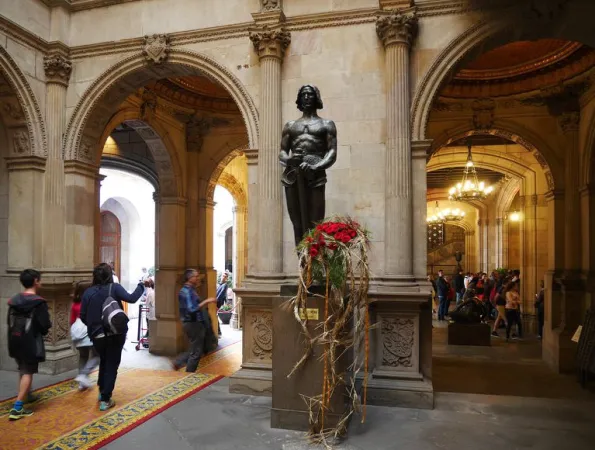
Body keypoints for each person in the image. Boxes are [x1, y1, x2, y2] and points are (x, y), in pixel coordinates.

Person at [81, 263, 147, 411]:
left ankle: (101, 390)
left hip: (96, 336)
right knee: (111, 364)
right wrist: (141, 285)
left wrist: (93, 327)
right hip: (115, 334)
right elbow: (132, 298)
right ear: (110, 275)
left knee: (104, 361)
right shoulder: (114, 288)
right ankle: (105, 398)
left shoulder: (88, 292)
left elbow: (83, 316)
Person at [279, 85, 338, 246]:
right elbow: (282, 153)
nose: (306, 97)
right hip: (292, 175)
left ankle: (315, 262)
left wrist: (316, 166)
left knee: (315, 222)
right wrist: (291, 160)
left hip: (315, 176)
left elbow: (332, 153)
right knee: (297, 222)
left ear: (316, 97)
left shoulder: (326, 124)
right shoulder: (290, 126)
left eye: (310, 94)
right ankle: (303, 264)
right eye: (303, 94)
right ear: (299, 99)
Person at [7, 269, 52, 420]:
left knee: (22, 367)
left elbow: (9, 321)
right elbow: (44, 325)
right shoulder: (39, 303)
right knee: (28, 371)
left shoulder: (14, 300)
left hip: (14, 338)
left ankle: (27, 395)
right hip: (30, 340)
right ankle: (18, 407)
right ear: (35, 281)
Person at [172, 269, 216, 372]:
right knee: (196, 352)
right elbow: (191, 309)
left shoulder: (190, 290)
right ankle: (189, 374)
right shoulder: (187, 291)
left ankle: (179, 362)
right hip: (193, 323)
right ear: (190, 278)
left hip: (194, 323)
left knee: (197, 348)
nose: (198, 278)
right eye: (196, 276)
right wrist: (207, 301)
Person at [70, 280, 99, 390]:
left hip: (78, 335)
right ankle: (84, 375)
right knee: (97, 355)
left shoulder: (75, 304)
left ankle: (82, 383)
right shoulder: (91, 302)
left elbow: (72, 320)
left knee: (83, 356)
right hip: (89, 332)